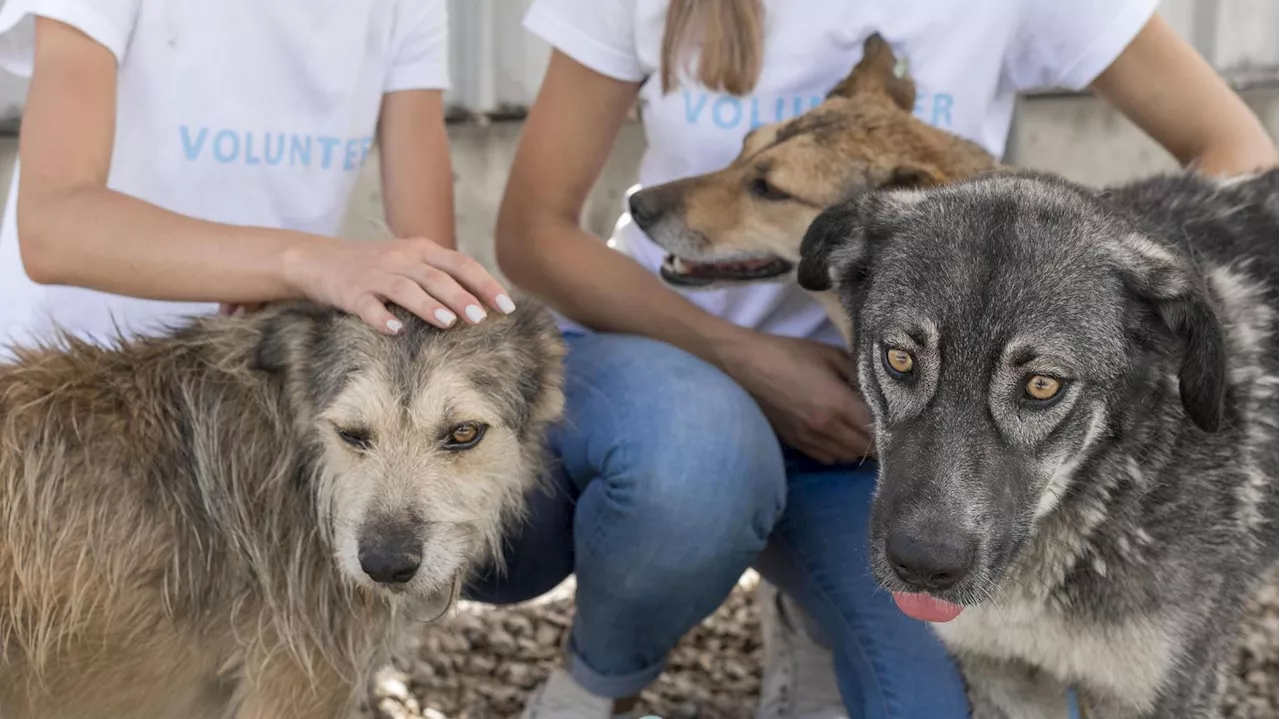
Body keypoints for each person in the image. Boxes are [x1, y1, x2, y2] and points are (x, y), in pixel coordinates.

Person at [468, 1, 1280, 718]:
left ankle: (811, 607)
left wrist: (1084, 284)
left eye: (769, 189)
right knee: (695, 460)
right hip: (671, 388)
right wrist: (753, 359)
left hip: (868, 428)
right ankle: (598, 680)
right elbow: (532, 233)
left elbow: (1236, 151)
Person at [0, 0, 513, 361]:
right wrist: (304, 264)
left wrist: (322, 281)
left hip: (254, 385)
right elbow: (52, 229)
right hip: (71, 387)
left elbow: (426, 265)